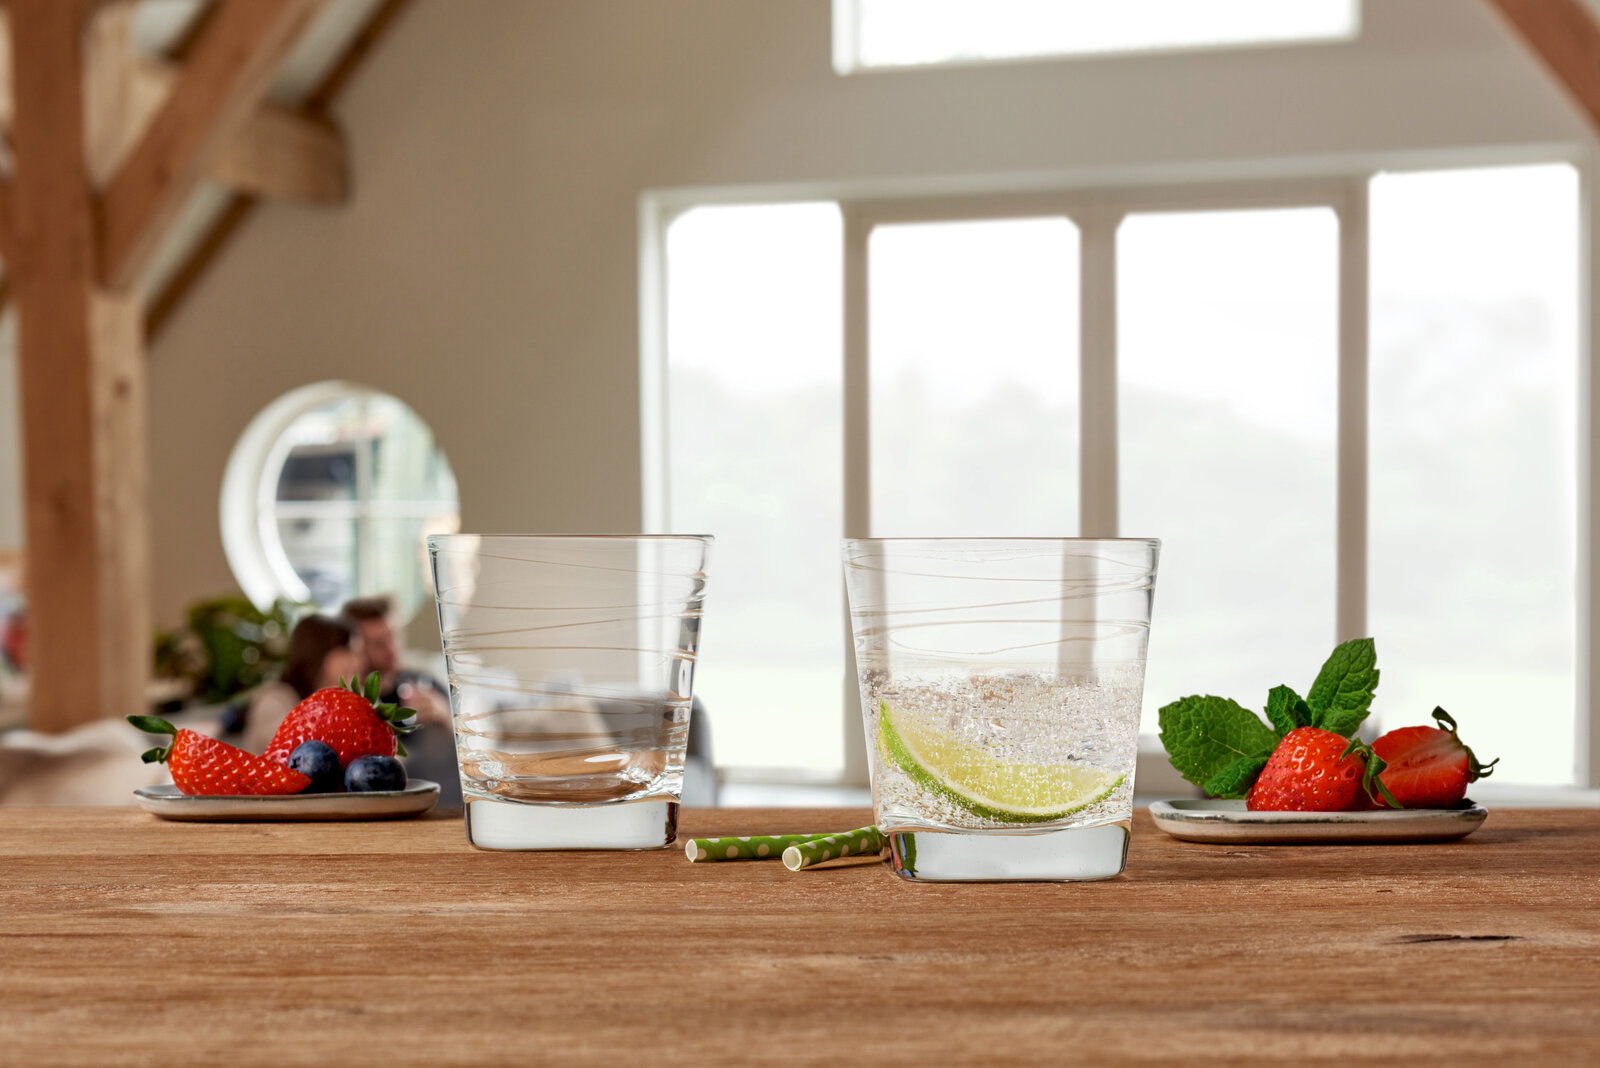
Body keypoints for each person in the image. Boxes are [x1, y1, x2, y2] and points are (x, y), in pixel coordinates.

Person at [243, 614, 362, 754]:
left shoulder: (350, 698)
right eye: (347, 651)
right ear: (319, 651)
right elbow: (296, 754)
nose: (356, 662)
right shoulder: (275, 700)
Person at [339, 596, 451, 727]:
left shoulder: (426, 685)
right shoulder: (347, 703)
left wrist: (445, 716)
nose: (391, 649)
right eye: (379, 644)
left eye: (394, 637)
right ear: (355, 647)